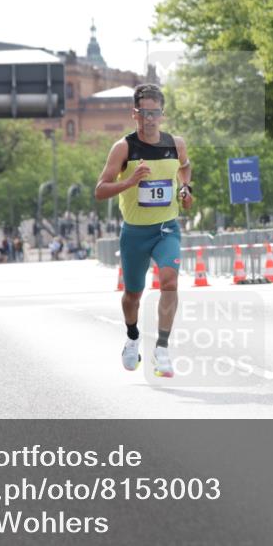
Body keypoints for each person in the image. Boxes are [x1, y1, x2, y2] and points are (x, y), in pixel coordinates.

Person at [94, 83, 193, 378]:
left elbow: (185, 168)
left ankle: (162, 348)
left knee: (169, 280)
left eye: (155, 113)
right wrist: (129, 181)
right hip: (135, 232)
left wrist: (185, 188)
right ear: (135, 114)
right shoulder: (123, 147)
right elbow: (100, 190)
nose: (150, 119)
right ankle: (133, 337)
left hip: (166, 227)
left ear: (162, 114)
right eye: (144, 113)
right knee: (132, 295)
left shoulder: (176, 143)